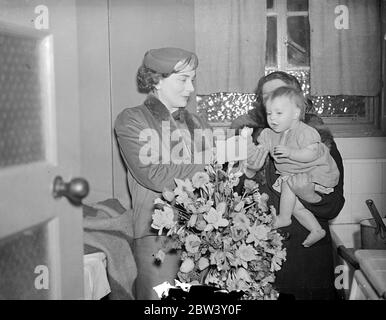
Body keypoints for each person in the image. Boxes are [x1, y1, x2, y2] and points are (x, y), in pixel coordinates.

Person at [231, 71, 345, 300]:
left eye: (279, 93)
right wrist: (249, 171)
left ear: (296, 102)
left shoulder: (318, 141)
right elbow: (232, 198)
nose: (272, 100)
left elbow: (335, 204)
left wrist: (309, 195)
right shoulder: (250, 140)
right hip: (260, 255)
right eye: (266, 96)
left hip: (307, 258)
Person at [114, 47, 212, 299]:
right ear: (156, 80)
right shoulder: (132, 120)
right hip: (156, 235)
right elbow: (154, 174)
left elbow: (215, 178)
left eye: (192, 79)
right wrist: (214, 160)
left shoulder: (198, 123)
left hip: (204, 235)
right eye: (182, 79)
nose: (190, 88)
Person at [257, 86, 340, 247]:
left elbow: (311, 154)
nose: (272, 118)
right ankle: (316, 229)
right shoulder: (275, 133)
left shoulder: (305, 132)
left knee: (289, 185)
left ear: (295, 113)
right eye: (269, 113)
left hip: (315, 174)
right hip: (296, 176)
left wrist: (290, 153)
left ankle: (283, 218)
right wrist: (257, 148)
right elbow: (264, 144)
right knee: (295, 206)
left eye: (279, 113)